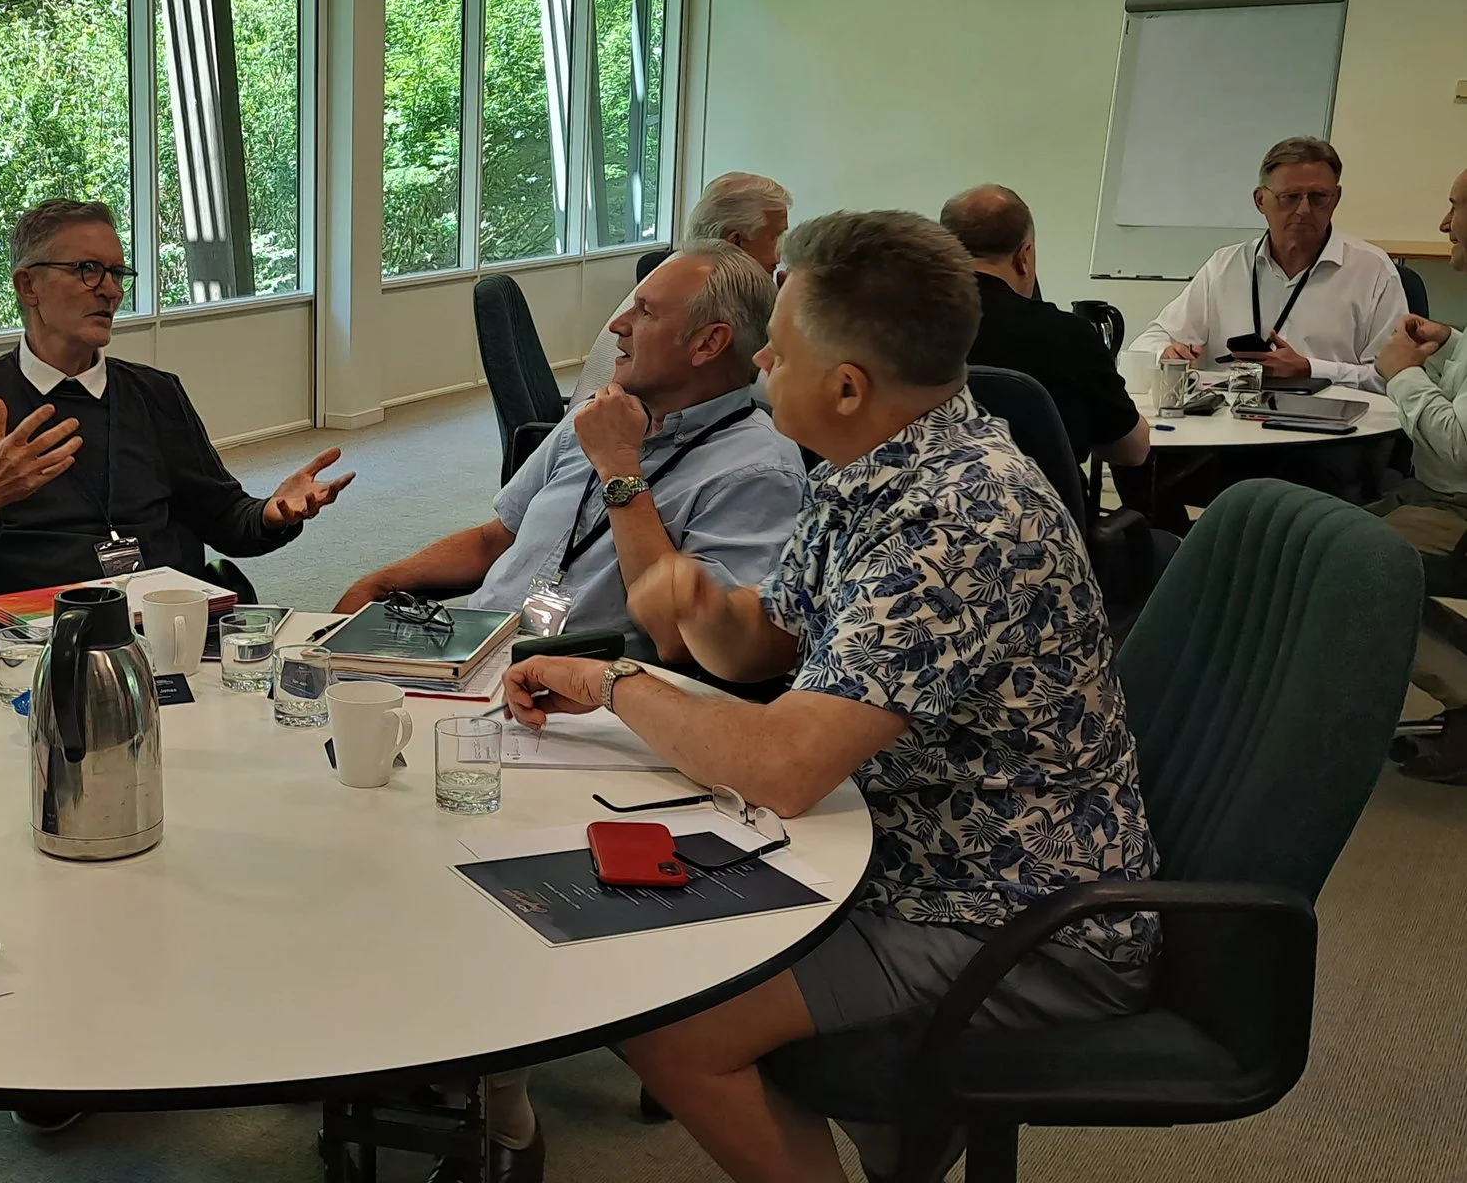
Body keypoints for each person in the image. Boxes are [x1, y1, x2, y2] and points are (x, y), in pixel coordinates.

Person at [499, 211, 1157, 1183]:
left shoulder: (960, 519)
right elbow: (760, 639)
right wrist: (701, 602)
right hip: (900, 843)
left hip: (1005, 914)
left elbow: (783, 767)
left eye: (784, 345)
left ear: (847, 386)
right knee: (611, 901)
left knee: (663, 1019)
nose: (763, 355)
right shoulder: (879, 471)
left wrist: (614, 678)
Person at [0, 199, 353, 627]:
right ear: (29, 286)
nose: (109, 290)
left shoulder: (156, 394)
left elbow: (224, 516)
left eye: (116, 273)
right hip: (32, 641)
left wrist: (273, 513)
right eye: (87, 270)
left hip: (166, 627)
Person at [335, 246, 804, 666]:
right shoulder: (598, 413)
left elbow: (684, 643)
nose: (618, 326)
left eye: (643, 312)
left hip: (582, 694)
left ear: (708, 343)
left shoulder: (759, 470)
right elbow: (495, 540)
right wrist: (378, 583)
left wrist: (619, 467)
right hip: (476, 652)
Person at [1132, 135, 1403, 392]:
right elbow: (1147, 342)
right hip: (1229, 424)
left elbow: (1395, 378)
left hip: (1329, 428)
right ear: (1261, 200)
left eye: (1319, 197)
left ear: (1336, 199)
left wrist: (1312, 370)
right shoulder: (1225, 266)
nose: (1304, 210)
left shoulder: (1373, 270)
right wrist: (1166, 353)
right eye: (1290, 197)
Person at [1371, 164, 1467, 781]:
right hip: (1439, 495)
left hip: (1458, 507)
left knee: (1347, 565)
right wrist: (1452, 343)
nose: (1442, 223)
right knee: (1328, 531)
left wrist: (1403, 372)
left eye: (1455, 206)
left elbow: (1460, 448)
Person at [943, 183, 1151, 467]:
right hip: (1042, 508)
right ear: (1024, 257)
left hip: (915, 505)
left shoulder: (897, 329)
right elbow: (1130, 451)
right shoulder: (1068, 335)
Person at [571, 174, 791, 407]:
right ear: (736, 241)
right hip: (605, 420)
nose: (779, 256)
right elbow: (781, 399)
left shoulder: (684, 272)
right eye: (775, 238)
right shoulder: (714, 295)